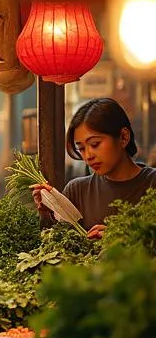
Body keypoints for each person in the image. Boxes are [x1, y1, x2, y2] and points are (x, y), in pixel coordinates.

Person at [32, 97, 156, 238]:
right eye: (82, 148)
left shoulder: (152, 183)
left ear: (123, 137)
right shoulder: (77, 191)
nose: (88, 155)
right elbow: (57, 245)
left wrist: (122, 238)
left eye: (95, 144)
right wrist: (48, 212)